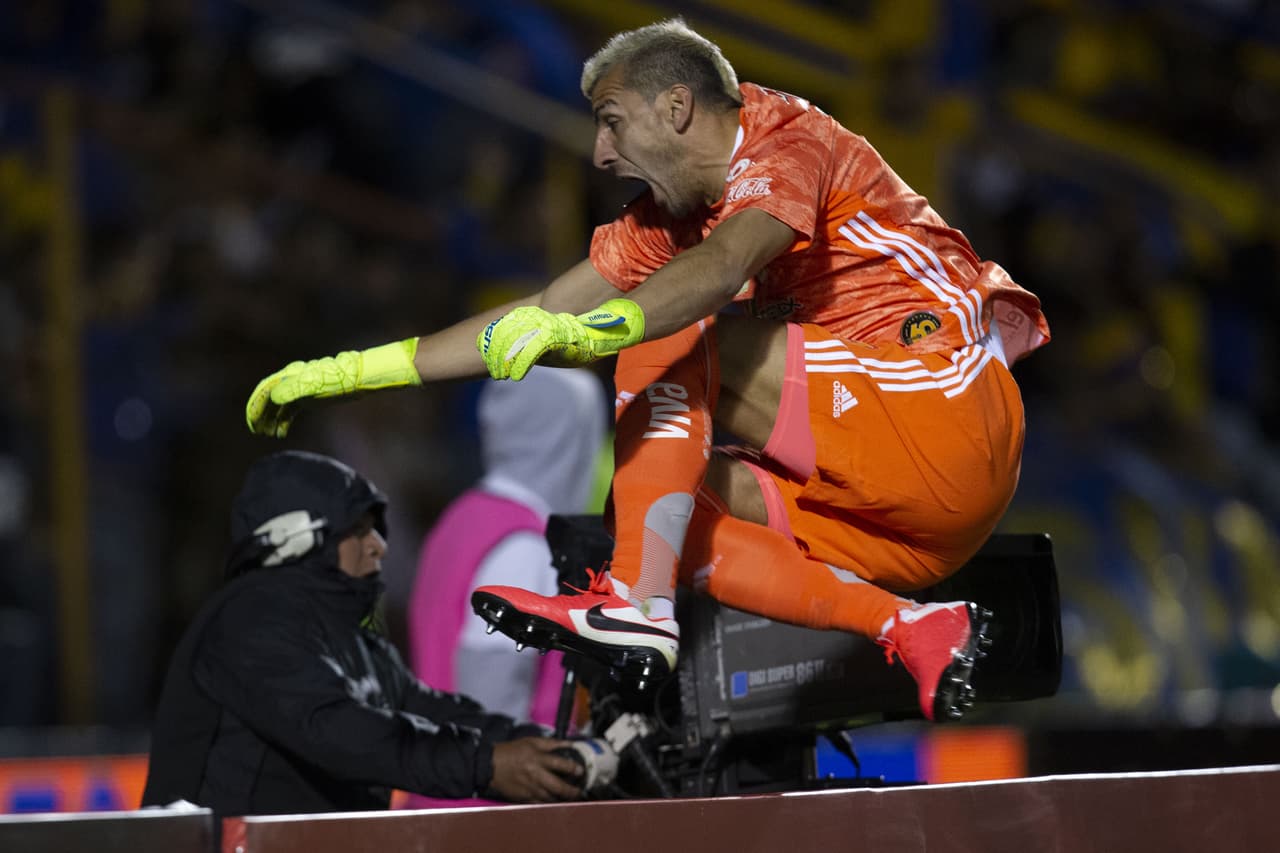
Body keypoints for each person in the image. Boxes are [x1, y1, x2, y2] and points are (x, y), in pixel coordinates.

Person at [243, 19, 1050, 722]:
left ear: (677, 108)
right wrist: (351, 370)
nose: (599, 153)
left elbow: (723, 265)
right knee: (661, 506)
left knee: (671, 329)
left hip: (947, 414)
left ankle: (636, 602)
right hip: (915, 535)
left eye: (610, 122)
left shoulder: (786, 139)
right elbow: (549, 309)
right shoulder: (668, 217)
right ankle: (906, 626)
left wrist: (614, 326)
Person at [141, 450, 582, 816]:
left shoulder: (344, 635)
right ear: (297, 536)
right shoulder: (249, 620)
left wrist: (551, 749)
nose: (379, 545)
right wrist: (486, 765)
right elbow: (339, 732)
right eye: (357, 529)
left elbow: (429, 710)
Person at [408, 367, 608, 726]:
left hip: (436, 771)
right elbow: (492, 706)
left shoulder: (463, 515)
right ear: (565, 440)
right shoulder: (522, 547)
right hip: (486, 779)